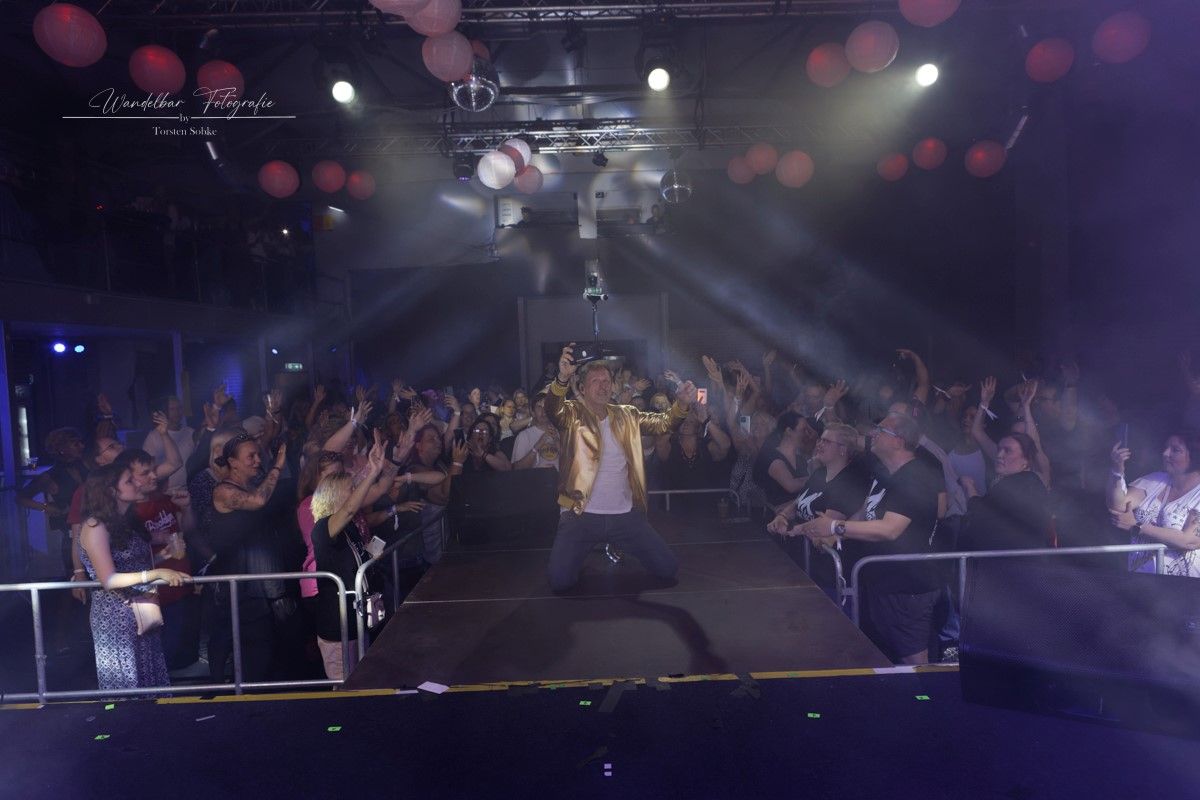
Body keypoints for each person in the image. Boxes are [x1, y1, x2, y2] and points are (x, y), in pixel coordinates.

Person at [544, 343, 695, 591]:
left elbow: (664, 424)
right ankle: (582, 551)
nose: (603, 386)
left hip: (625, 516)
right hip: (580, 514)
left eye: (606, 381)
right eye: (595, 381)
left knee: (668, 568)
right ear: (582, 387)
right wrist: (562, 378)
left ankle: (616, 543)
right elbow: (552, 409)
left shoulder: (627, 414)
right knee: (560, 582)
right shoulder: (571, 413)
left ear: (613, 386)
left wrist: (681, 404)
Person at [796, 412, 942, 664]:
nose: (873, 433)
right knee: (889, 652)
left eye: (881, 430)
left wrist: (835, 526)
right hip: (883, 580)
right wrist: (832, 534)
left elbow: (890, 529)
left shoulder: (915, 477)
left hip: (907, 585)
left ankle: (927, 690)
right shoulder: (885, 472)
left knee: (913, 658)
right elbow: (865, 512)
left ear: (898, 440)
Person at [77, 464, 188, 690]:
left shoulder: (125, 521)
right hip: (116, 616)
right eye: (129, 481)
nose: (138, 483)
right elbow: (108, 580)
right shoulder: (95, 526)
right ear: (111, 491)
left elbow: (130, 566)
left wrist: (161, 558)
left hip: (143, 611)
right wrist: (156, 573)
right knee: (126, 683)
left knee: (149, 679)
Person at [206, 434, 287, 682]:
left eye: (258, 455)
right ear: (233, 462)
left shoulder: (253, 484)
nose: (257, 460)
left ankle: (251, 690)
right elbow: (258, 501)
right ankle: (220, 690)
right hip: (233, 581)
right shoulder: (223, 490)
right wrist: (277, 466)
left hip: (256, 580)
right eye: (250, 456)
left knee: (260, 643)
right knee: (228, 637)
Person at [309, 442, 388, 680]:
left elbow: (356, 556)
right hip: (337, 624)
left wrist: (372, 554)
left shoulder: (349, 527)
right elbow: (349, 510)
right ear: (334, 496)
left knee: (361, 678)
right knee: (344, 686)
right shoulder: (322, 528)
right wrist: (373, 472)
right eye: (350, 489)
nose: (356, 493)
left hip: (357, 617)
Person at [1109, 431, 1200, 577]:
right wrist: (1117, 472)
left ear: (1194, 457)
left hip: (1183, 586)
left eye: (1175, 450)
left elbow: (1190, 541)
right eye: (1166, 448)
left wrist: (1137, 526)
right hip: (1141, 581)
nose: (1165, 453)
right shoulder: (1154, 480)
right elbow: (1117, 506)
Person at [958, 433, 1051, 552]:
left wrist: (969, 486)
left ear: (1026, 460)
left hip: (1014, 559)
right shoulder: (1026, 481)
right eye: (999, 450)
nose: (999, 455)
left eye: (1008, 451)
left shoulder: (1020, 483)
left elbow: (980, 513)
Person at [752, 411, 818, 512]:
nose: (807, 434)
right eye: (803, 430)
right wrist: (818, 479)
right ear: (789, 431)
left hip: (797, 512)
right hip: (772, 516)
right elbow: (791, 486)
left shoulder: (800, 460)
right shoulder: (770, 456)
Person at [142, 395, 194, 492]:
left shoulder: (190, 432)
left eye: (179, 408)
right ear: (164, 412)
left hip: (187, 489)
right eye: (172, 409)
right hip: (165, 492)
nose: (177, 412)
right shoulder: (153, 437)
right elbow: (147, 468)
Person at [512, 394, 561, 471]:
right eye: (539, 407)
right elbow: (517, 468)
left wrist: (558, 442)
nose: (544, 411)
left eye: (547, 406)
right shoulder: (524, 436)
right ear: (533, 412)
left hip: (559, 478)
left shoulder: (561, 432)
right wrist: (538, 445)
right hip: (536, 478)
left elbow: (572, 463)